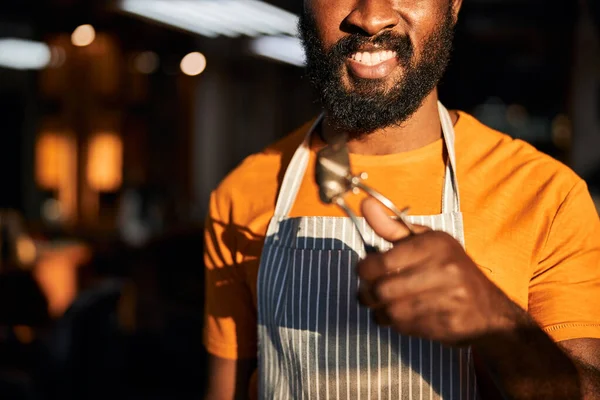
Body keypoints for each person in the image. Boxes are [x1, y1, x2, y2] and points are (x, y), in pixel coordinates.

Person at [203, 0, 600, 398]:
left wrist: (495, 321)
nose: (372, 16)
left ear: (454, 5)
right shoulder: (243, 194)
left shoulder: (546, 196)